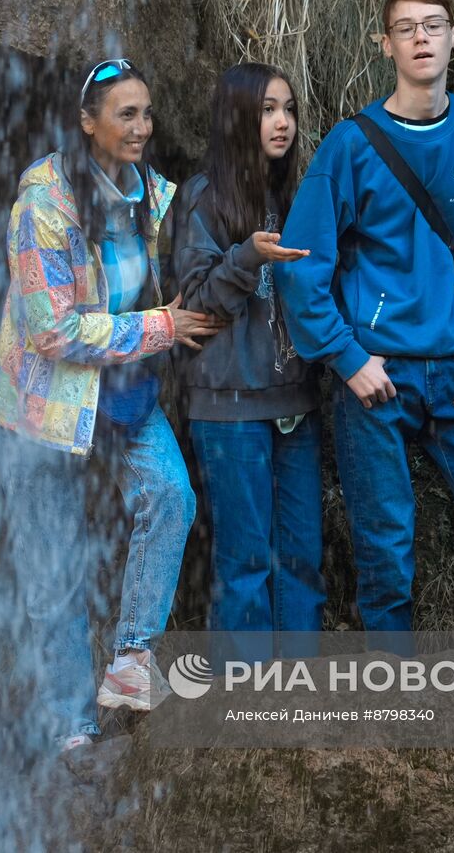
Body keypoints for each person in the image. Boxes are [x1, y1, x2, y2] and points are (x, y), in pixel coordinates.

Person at [277, 0, 454, 656]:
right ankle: (394, 695)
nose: (422, 38)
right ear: (384, 43)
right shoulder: (350, 146)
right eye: (406, 28)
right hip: (377, 377)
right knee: (385, 549)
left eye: (434, 26)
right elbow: (301, 264)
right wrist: (347, 356)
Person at [0, 58, 224, 752]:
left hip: (123, 395)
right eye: (126, 114)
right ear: (87, 122)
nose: (143, 127)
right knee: (52, 576)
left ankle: (129, 659)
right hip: (44, 408)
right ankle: (71, 724)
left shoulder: (151, 191)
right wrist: (162, 327)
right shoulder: (44, 206)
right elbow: (52, 331)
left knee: (172, 497)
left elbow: (210, 220)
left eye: (147, 113)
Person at [171, 63, 324, 663]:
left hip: (297, 403)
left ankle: (299, 694)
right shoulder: (203, 197)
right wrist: (247, 257)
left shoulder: (299, 194)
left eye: (287, 108)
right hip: (229, 406)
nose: (282, 121)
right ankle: (245, 707)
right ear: (238, 118)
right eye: (266, 110)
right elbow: (199, 300)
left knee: (302, 557)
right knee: (245, 561)